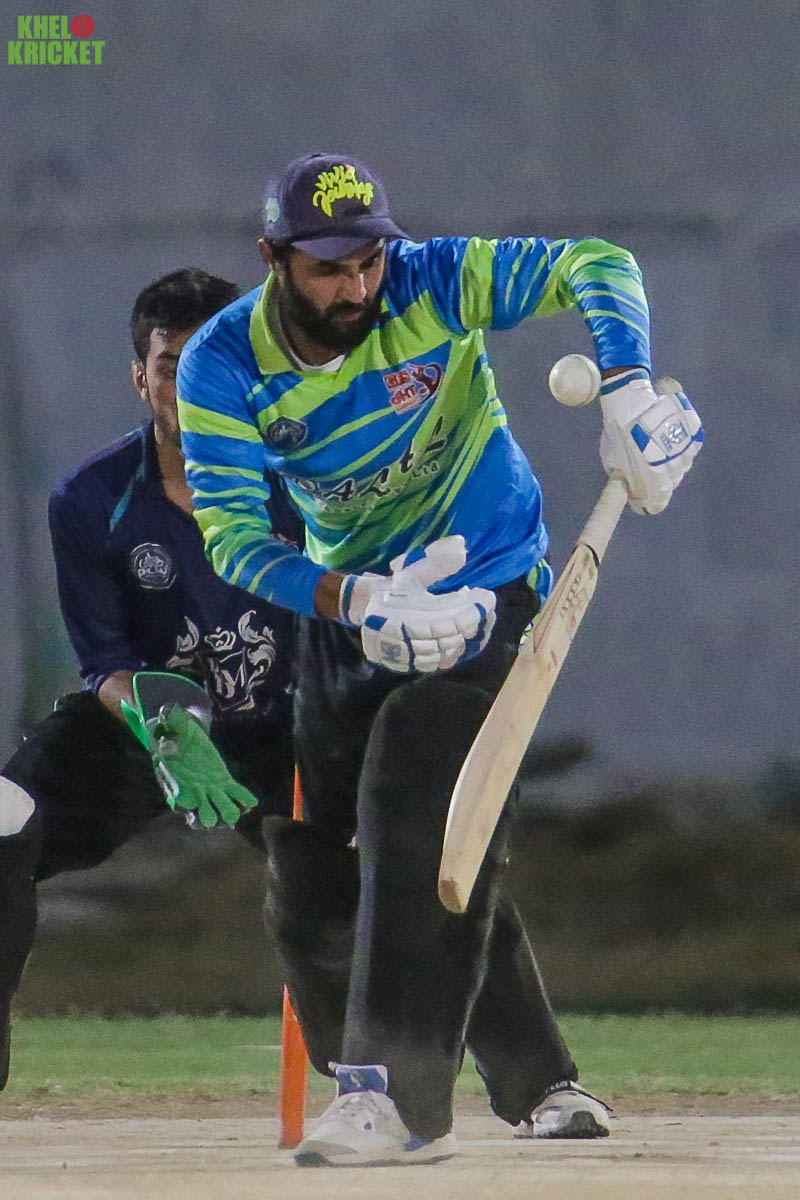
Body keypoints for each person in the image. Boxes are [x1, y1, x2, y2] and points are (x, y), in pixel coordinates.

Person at [176, 152, 704, 1167]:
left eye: (367, 260)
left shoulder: (430, 280)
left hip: (487, 589)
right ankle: (540, 1082)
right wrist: (359, 599)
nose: (356, 287)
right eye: (328, 267)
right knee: (320, 874)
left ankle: (393, 1098)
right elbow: (233, 539)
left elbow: (595, 262)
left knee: (419, 791)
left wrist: (628, 385)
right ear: (273, 259)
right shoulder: (221, 361)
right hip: (353, 607)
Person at [0, 268, 304, 1091]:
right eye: (172, 366)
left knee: (397, 860)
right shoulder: (90, 499)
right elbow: (104, 661)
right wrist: (165, 725)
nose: (193, 385)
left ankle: (505, 1082)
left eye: (216, 362)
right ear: (142, 377)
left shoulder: (305, 482)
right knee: (5, 823)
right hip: (146, 728)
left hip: (283, 726)